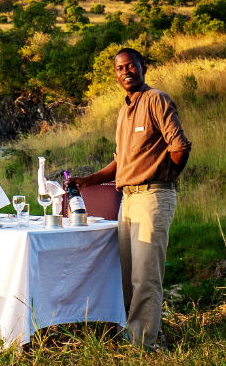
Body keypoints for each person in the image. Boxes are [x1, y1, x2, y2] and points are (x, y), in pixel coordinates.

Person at [68, 48, 191, 347]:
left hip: (153, 197)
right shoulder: (124, 111)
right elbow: (120, 162)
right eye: (119, 67)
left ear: (141, 67)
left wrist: (164, 177)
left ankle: (143, 343)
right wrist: (89, 180)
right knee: (126, 274)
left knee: (146, 275)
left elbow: (180, 147)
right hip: (127, 200)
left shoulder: (156, 100)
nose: (125, 71)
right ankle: (132, 332)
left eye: (130, 66)